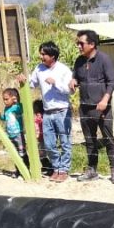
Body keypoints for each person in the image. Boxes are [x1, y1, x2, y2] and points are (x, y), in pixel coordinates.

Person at [70, 30, 114, 184]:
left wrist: (105, 99)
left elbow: (112, 82)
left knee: (108, 139)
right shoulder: (79, 61)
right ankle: (92, 170)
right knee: (89, 140)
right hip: (85, 107)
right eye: (77, 43)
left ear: (92, 44)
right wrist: (73, 82)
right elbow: (76, 77)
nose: (78, 46)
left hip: (102, 107)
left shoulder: (104, 60)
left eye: (81, 43)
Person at [19, 41, 73, 182]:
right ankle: (56, 168)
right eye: (41, 53)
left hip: (62, 110)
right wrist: (23, 80)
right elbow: (31, 83)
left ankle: (64, 170)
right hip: (47, 111)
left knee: (64, 141)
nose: (41, 56)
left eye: (44, 54)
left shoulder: (63, 70)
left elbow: (70, 90)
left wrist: (55, 83)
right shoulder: (39, 69)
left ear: (52, 56)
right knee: (49, 143)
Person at [0, 87, 26, 164]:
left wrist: (17, 102)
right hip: (10, 134)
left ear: (13, 98)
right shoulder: (6, 108)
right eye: (4, 99)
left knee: (22, 151)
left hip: (18, 133)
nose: (5, 101)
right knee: (14, 153)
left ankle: (26, 167)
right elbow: (5, 118)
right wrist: (0, 116)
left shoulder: (16, 107)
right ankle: (18, 170)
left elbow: (21, 110)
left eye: (7, 99)